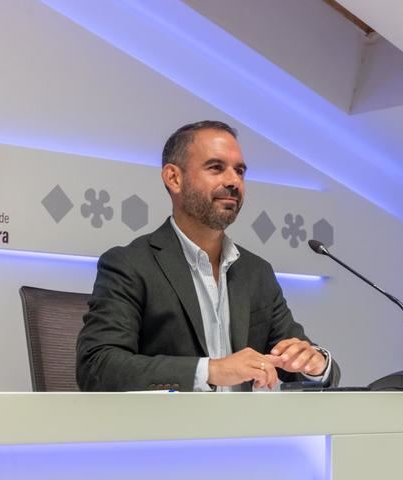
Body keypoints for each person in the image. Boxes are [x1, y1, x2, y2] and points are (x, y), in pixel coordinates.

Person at [76, 120, 340, 391]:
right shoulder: (130, 265)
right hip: (172, 419)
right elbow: (98, 366)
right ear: (174, 178)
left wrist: (316, 364)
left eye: (239, 171)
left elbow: (303, 363)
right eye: (216, 168)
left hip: (248, 420)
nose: (233, 181)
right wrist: (210, 371)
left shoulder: (256, 272)